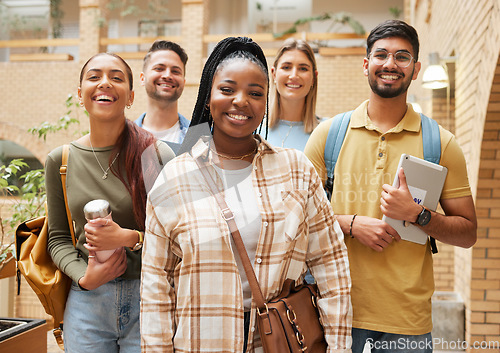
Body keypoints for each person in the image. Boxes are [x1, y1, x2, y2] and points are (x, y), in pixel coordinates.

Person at [141, 36, 352, 352]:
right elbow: (157, 288)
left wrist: (339, 347)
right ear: (208, 98)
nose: (241, 100)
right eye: (227, 90)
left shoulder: (297, 169)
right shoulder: (174, 177)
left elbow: (331, 267)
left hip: (282, 342)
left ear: (267, 102)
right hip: (201, 343)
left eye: (255, 93)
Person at [304, 20, 477, 352]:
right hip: (336, 310)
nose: (390, 64)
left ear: (415, 69)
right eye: (381, 54)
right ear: (366, 64)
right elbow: (296, 219)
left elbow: (468, 232)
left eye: (402, 56)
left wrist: (418, 215)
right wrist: (351, 225)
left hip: (407, 323)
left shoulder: (440, 143)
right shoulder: (329, 136)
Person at [46, 53, 174, 353]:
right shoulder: (61, 161)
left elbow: (179, 237)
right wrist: (84, 277)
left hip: (150, 298)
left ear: (130, 96)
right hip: (87, 303)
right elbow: (59, 239)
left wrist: (130, 238)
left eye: (116, 77)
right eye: (94, 77)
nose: (105, 83)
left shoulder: (157, 155)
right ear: (80, 94)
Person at [135, 40, 189, 154]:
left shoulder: (201, 140)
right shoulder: (122, 140)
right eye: (159, 68)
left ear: (183, 82)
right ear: (142, 78)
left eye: (175, 71)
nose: (167, 75)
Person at [266, 38, 320, 151]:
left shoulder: (327, 132)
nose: (294, 75)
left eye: (303, 68)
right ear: (274, 74)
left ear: (314, 77)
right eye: (286, 67)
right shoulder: (253, 129)